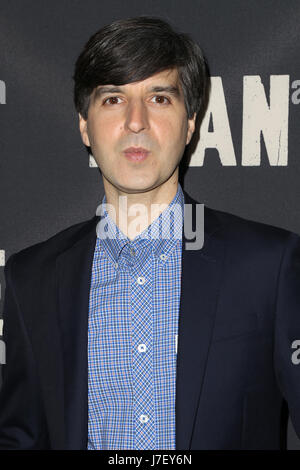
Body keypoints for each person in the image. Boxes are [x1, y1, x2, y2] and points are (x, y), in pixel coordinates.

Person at [0, 15, 300, 451]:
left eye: (159, 98)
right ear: (85, 125)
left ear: (190, 123)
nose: (136, 121)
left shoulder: (269, 265)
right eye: (113, 99)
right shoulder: (32, 280)